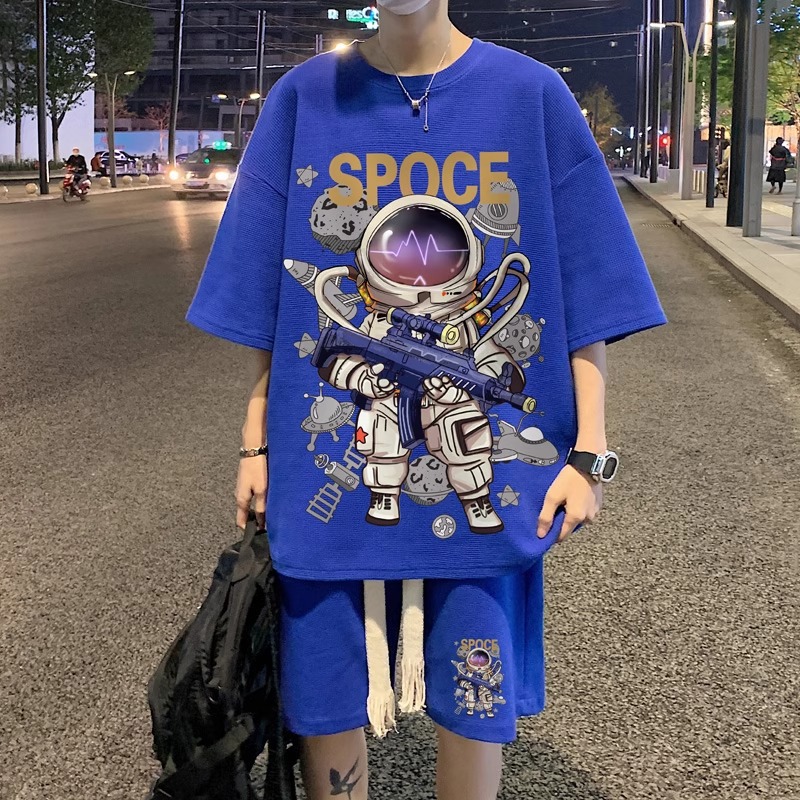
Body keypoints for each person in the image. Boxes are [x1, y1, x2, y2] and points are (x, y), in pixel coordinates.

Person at [185, 1, 667, 797]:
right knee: (326, 693)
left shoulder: (531, 96)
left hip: (488, 494)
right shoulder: (302, 99)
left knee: (474, 702)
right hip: (329, 499)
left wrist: (590, 453)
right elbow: (269, 302)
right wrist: (255, 441)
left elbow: (588, 292)